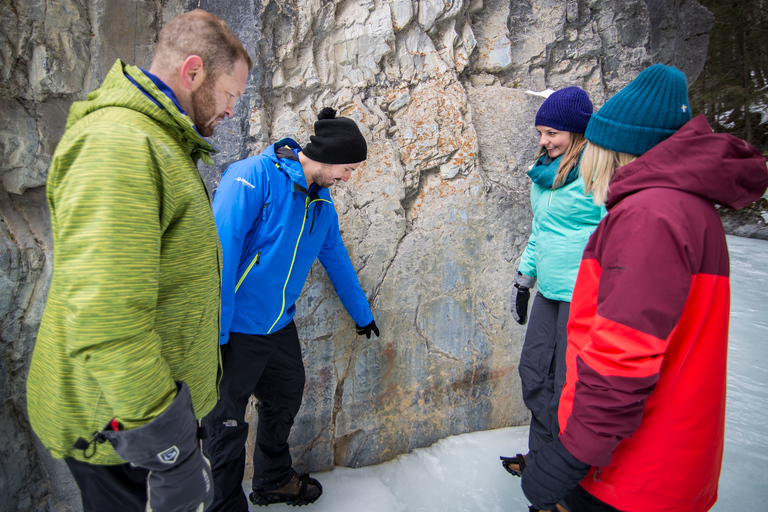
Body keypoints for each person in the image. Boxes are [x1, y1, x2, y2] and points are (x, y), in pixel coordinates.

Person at [25, 10, 252, 512]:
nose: (233, 110)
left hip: (142, 412)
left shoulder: (161, 141)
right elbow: (107, 319)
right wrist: (170, 452)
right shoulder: (122, 146)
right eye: (232, 94)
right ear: (192, 72)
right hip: (122, 427)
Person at [519, 65, 768, 512]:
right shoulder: (680, 206)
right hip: (662, 460)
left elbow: (621, 361)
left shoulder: (651, 216)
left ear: (612, 147)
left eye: (591, 142)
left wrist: (568, 459)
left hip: (632, 473)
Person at [201, 107, 380, 510]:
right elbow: (220, 256)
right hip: (235, 329)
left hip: (278, 325)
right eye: (347, 169)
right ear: (328, 156)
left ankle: (272, 479)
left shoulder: (322, 205)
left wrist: (362, 313)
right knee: (224, 427)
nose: (348, 178)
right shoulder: (252, 177)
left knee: (285, 398)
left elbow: (337, 260)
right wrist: (217, 333)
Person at [501, 88, 605, 496]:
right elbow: (540, 230)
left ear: (577, 132)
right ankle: (543, 454)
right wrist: (524, 278)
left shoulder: (600, 173)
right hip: (550, 292)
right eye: (541, 132)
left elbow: (617, 231)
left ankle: (565, 472)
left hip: (586, 295)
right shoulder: (545, 171)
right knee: (534, 373)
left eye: (552, 133)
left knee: (568, 384)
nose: (543, 140)